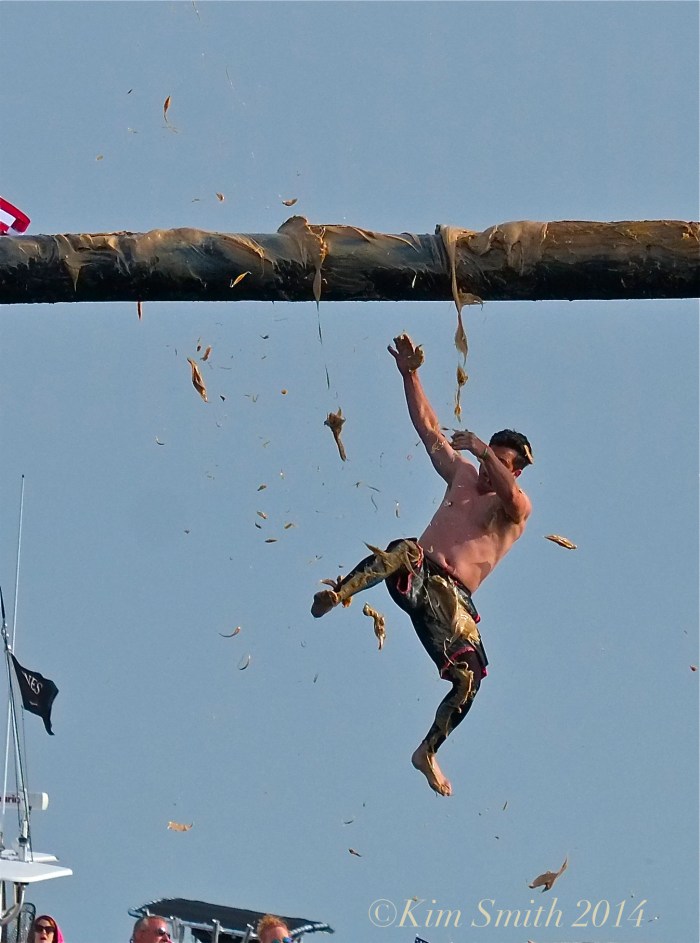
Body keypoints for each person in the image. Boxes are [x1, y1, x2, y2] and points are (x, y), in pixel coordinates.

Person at [312, 333, 533, 797]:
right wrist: (410, 374)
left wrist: (480, 449)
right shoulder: (464, 476)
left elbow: (510, 494)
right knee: (402, 547)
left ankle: (428, 751)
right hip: (419, 572)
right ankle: (340, 592)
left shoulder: (513, 508)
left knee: (470, 678)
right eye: (499, 459)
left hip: (453, 603)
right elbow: (430, 429)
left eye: (504, 464)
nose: (497, 469)